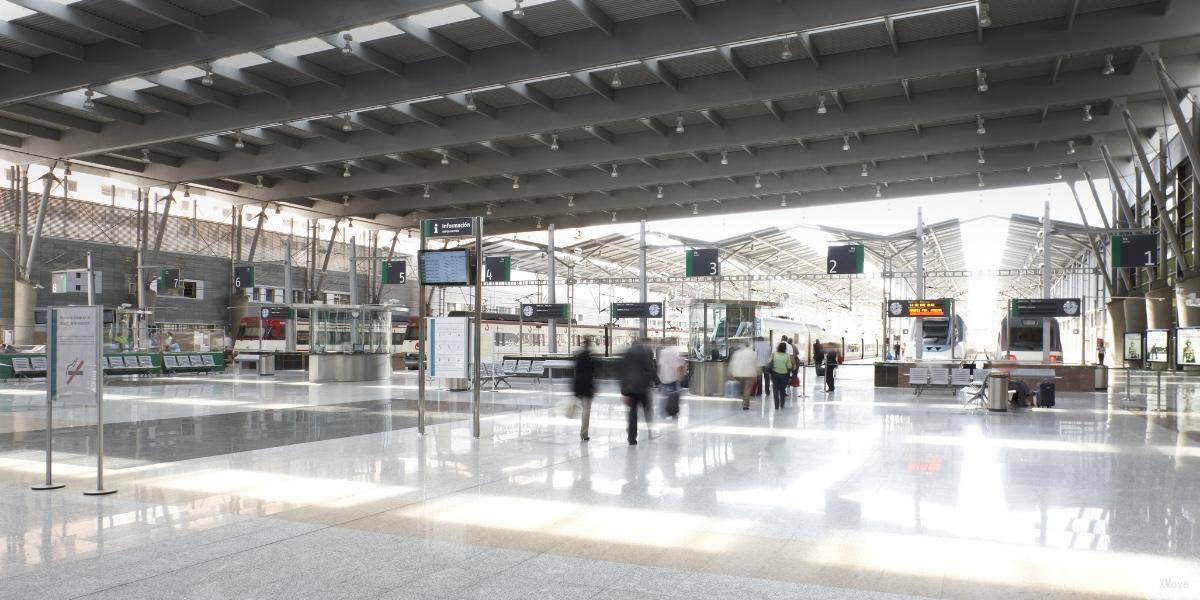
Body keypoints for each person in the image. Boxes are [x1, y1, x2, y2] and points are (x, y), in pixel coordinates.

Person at [620, 338, 656, 445]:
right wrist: (657, 382)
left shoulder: (627, 354)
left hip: (631, 388)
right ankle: (649, 429)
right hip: (643, 387)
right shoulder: (644, 353)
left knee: (633, 413)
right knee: (647, 409)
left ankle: (632, 438)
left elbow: (622, 372)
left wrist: (623, 390)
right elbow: (650, 368)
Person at [573, 338, 596, 442]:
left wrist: (575, 390)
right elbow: (591, 374)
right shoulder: (589, 357)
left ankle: (583, 433)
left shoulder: (579, 356)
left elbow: (576, 372)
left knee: (584, 410)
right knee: (586, 411)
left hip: (579, 387)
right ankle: (584, 433)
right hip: (587, 388)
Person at [729, 342, 759, 410]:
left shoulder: (737, 353)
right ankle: (745, 405)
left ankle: (743, 400)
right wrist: (757, 372)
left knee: (743, 389)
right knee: (747, 389)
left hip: (739, 373)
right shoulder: (752, 353)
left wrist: (732, 372)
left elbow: (733, 364)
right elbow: (756, 364)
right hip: (749, 373)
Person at [657, 343, 684, 416]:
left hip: (664, 378)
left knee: (664, 396)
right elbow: (678, 367)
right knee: (674, 394)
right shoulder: (675, 352)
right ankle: (673, 411)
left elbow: (660, 366)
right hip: (672, 378)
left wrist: (659, 379)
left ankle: (662, 412)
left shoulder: (663, 352)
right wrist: (680, 377)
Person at [769, 342, 793, 409]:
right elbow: (789, 366)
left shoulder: (774, 354)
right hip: (784, 374)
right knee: (782, 389)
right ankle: (782, 403)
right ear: (785, 348)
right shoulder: (786, 355)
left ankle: (776, 405)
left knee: (775, 390)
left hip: (775, 374)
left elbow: (769, 362)